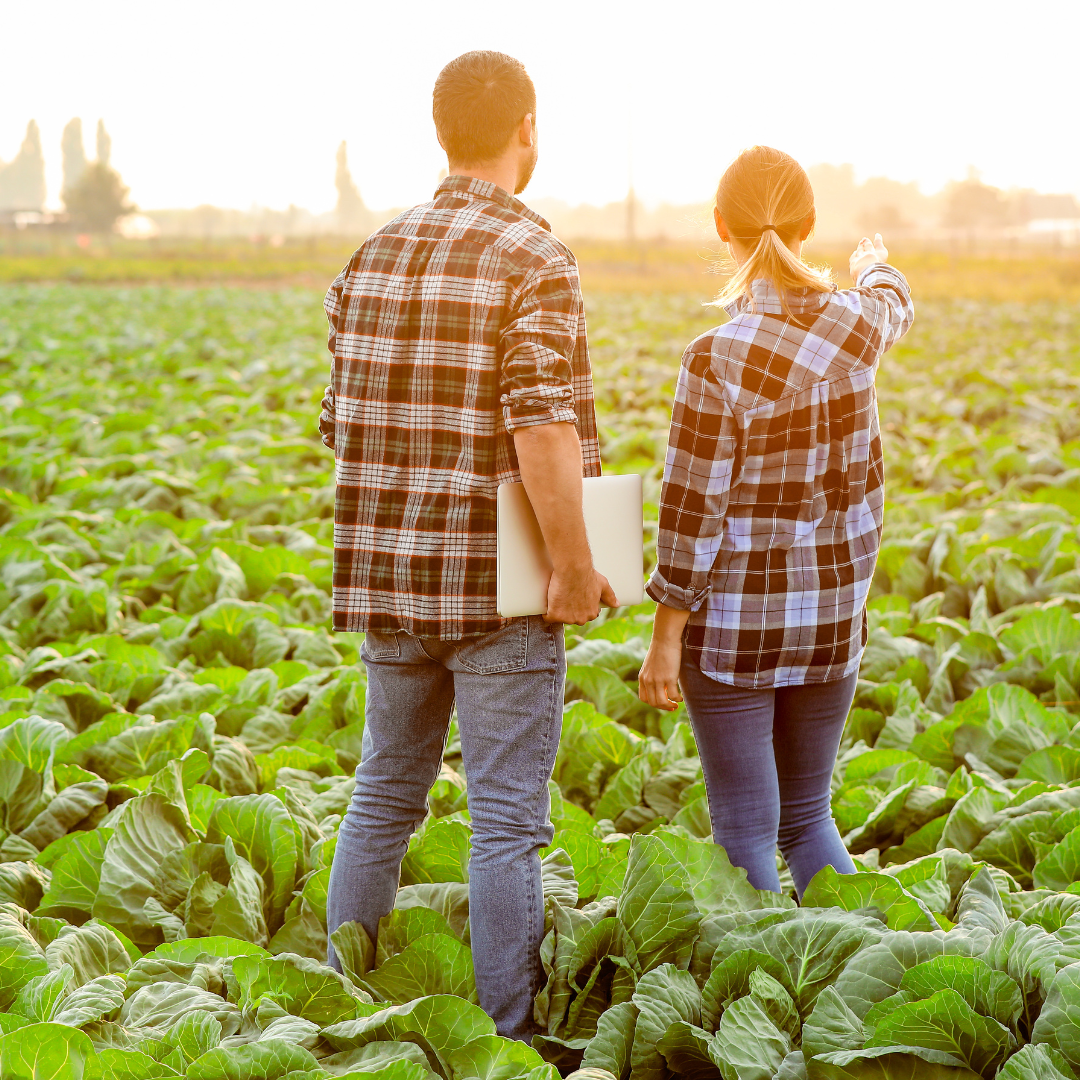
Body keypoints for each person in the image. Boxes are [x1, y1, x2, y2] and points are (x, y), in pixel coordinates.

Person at [319, 50, 615, 1040]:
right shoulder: (535, 257)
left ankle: (337, 1006)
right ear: (526, 130)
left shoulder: (370, 256)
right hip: (498, 596)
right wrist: (574, 565)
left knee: (379, 805)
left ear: (442, 133)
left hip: (388, 585)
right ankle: (509, 1039)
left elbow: (339, 424)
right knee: (506, 832)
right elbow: (542, 426)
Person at [637, 146, 914, 897]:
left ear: (720, 226)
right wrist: (870, 263)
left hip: (735, 633)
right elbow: (896, 302)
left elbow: (690, 511)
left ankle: (770, 969)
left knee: (747, 834)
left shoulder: (715, 358)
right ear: (810, 223)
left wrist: (666, 637)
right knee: (809, 821)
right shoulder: (860, 328)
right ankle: (855, 971)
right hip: (833, 622)